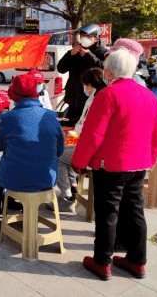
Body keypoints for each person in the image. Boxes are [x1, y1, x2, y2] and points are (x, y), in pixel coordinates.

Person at [71, 43, 157, 281]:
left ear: (108, 72)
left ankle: (102, 262)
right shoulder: (147, 95)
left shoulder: (108, 94)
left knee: (107, 213)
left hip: (110, 165)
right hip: (138, 164)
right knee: (135, 212)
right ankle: (137, 261)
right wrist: (150, 159)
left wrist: (79, 162)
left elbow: (93, 135)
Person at [0, 74, 65, 238]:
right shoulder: (50, 116)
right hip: (47, 179)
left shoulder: (9, 118)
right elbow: (60, 150)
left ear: (13, 97)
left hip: (15, 178)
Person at [48, 67, 106, 213]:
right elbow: (83, 120)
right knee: (63, 151)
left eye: (84, 84)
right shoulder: (95, 97)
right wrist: (67, 120)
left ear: (89, 84)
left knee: (57, 156)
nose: (84, 87)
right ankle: (72, 188)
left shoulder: (98, 99)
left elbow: (88, 126)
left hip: (94, 149)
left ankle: (67, 197)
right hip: (91, 145)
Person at [57, 24, 108, 126]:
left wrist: (89, 55)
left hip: (92, 100)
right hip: (73, 100)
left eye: (89, 36)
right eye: (83, 36)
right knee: (71, 131)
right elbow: (61, 69)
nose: (85, 38)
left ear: (96, 38)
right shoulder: (75, 51)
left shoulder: (103, 52)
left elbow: (105, 69)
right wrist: (70, 55)